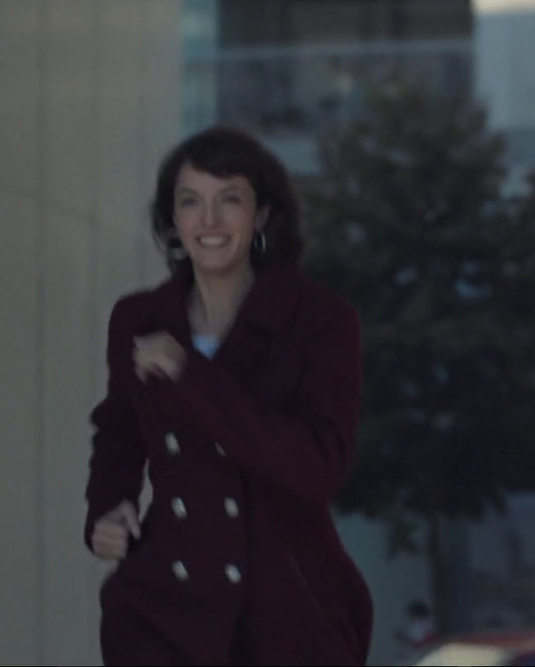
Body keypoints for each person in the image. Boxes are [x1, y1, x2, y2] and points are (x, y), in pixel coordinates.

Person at [83, 125, 373, 666]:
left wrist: (191, 376)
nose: (209, 221)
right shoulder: (139, 319)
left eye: (229, 201)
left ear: (262, 215)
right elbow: (119, 431)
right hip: (163, 616)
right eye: (190, 202)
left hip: (285, 619)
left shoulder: (320, 321)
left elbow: (318, 468)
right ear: (173, 220)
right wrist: (109, 508)